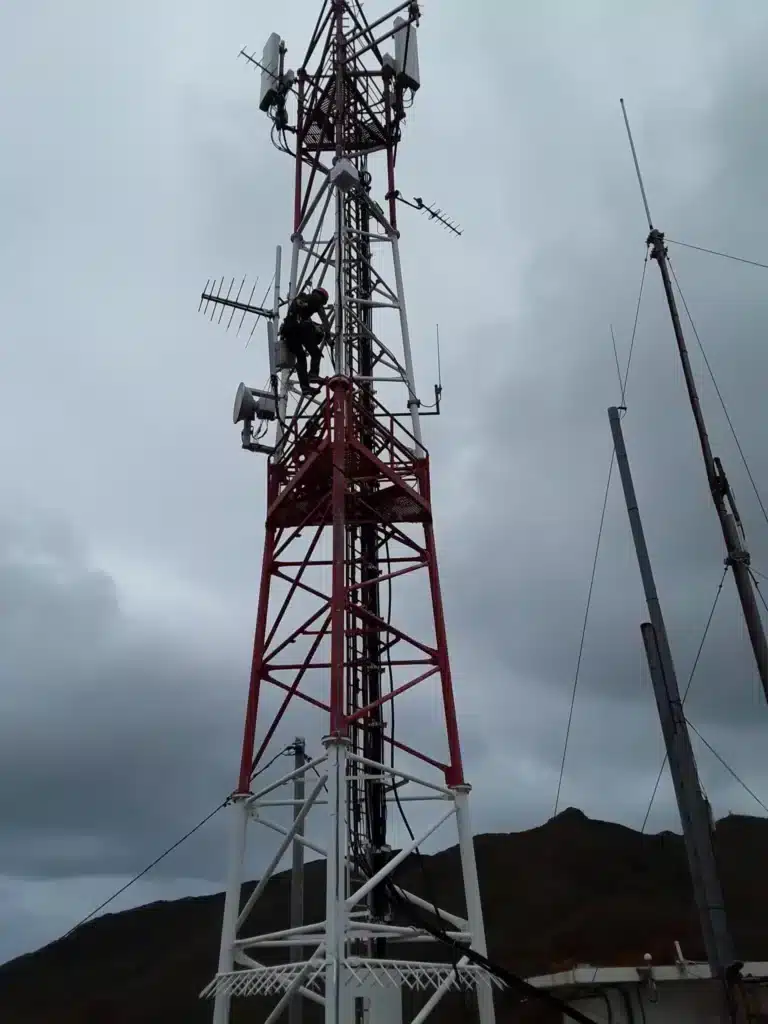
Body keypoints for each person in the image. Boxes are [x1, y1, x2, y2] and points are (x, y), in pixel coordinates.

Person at [280, 285, 331, 394]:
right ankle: (313, 374)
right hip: (300, 330)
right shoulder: (316, 300)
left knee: (301, 357)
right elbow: (325, 322)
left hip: (288, 332)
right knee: (316, 353)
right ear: (322, 297)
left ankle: (305, 387)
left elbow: (298, 315)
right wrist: (328, 336)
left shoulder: (301, 298)